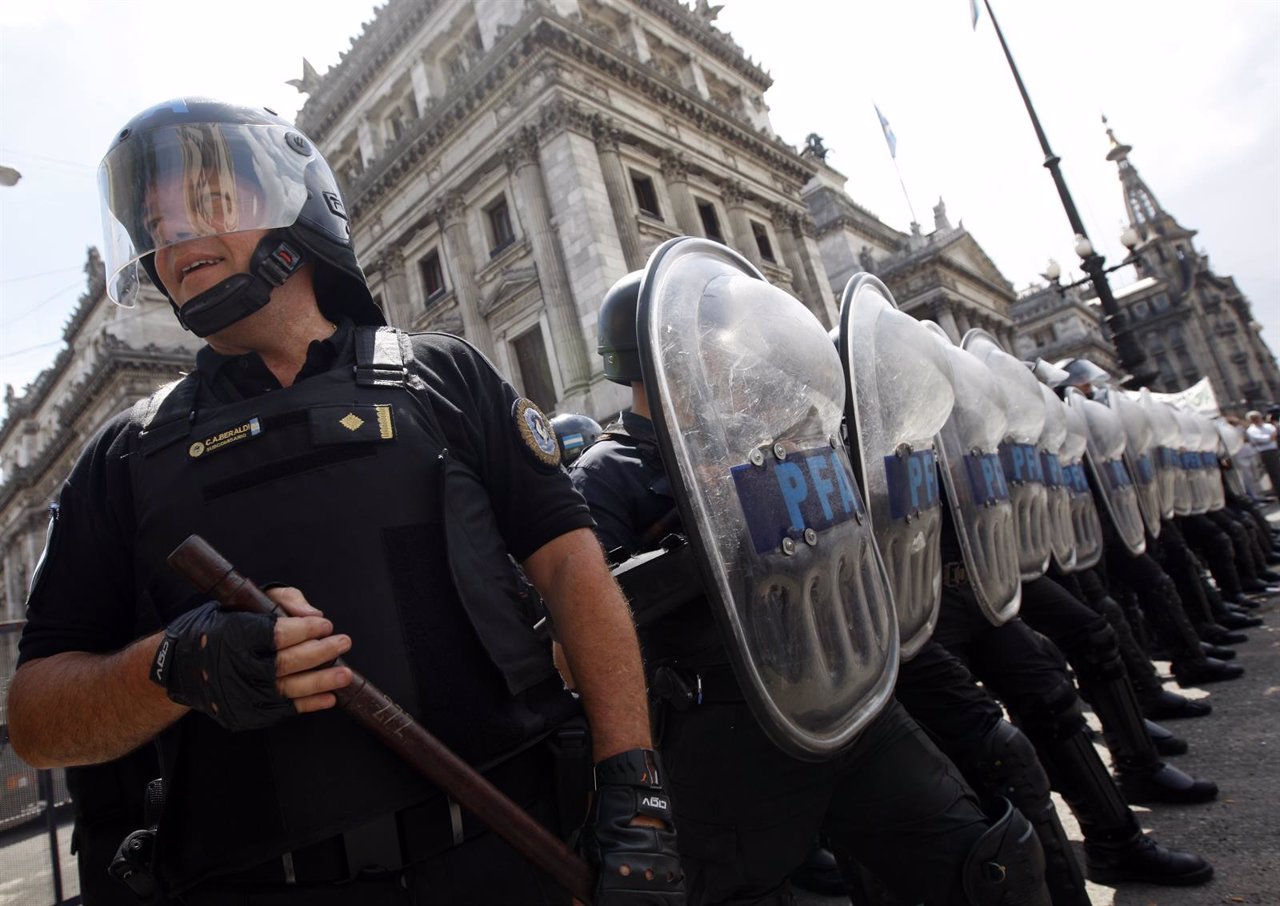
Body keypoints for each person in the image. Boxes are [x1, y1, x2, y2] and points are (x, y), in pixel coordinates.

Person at [7, 99, 682, 906]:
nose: (175, 234)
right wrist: (173, 667)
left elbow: (575, 573)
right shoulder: (122, 457)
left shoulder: (445, 377)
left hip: (509, 860)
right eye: (155, 223)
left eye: (208, 203)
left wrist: (635, 793)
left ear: (295, 204)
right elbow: (38, 719)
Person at [572, 269, 1051, 906]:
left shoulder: (758, 437)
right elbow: (586, 621)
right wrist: (704, 547)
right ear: (649, 356)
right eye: (707, 341)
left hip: (843, 692)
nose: (723, 353)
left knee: (988, 868)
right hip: (730, 738)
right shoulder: (607, 472)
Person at [1244, 409, 1280, 497]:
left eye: (1257, 417)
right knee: (1275, 473)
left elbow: (1274, 435)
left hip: (1275, 449)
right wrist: (1270, 437)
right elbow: (1265, 439)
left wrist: (1271, 437)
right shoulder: (1251, 430)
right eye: (1253, 419)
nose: (1257, 420)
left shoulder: (1268, 426)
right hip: (1266, 452)